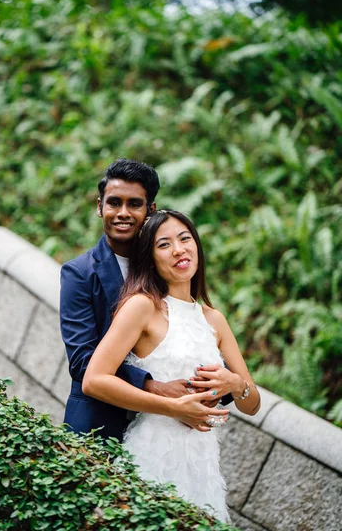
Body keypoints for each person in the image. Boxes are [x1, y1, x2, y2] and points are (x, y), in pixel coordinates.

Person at [83, 210, 261, 522]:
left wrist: (234, 384)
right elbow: (94, 380)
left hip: (203, 464)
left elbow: (252, 405)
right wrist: (173, 408)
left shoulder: (213, 319)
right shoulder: (142, 307)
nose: (178, 249)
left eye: (185, 239)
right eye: (164, 245)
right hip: (154, 455)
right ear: (150, 260)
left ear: (197, 246)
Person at [60, 159, 231, 441]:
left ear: (150, 209)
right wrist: (156, 388)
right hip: (99, 426)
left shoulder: (168, 265)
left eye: (135, 204)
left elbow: (185, 331)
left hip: (167, 433)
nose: (122, 213)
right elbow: (82, 362)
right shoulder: (79, 273)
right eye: (114, 203)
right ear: (100, 206)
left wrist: (211, 387)